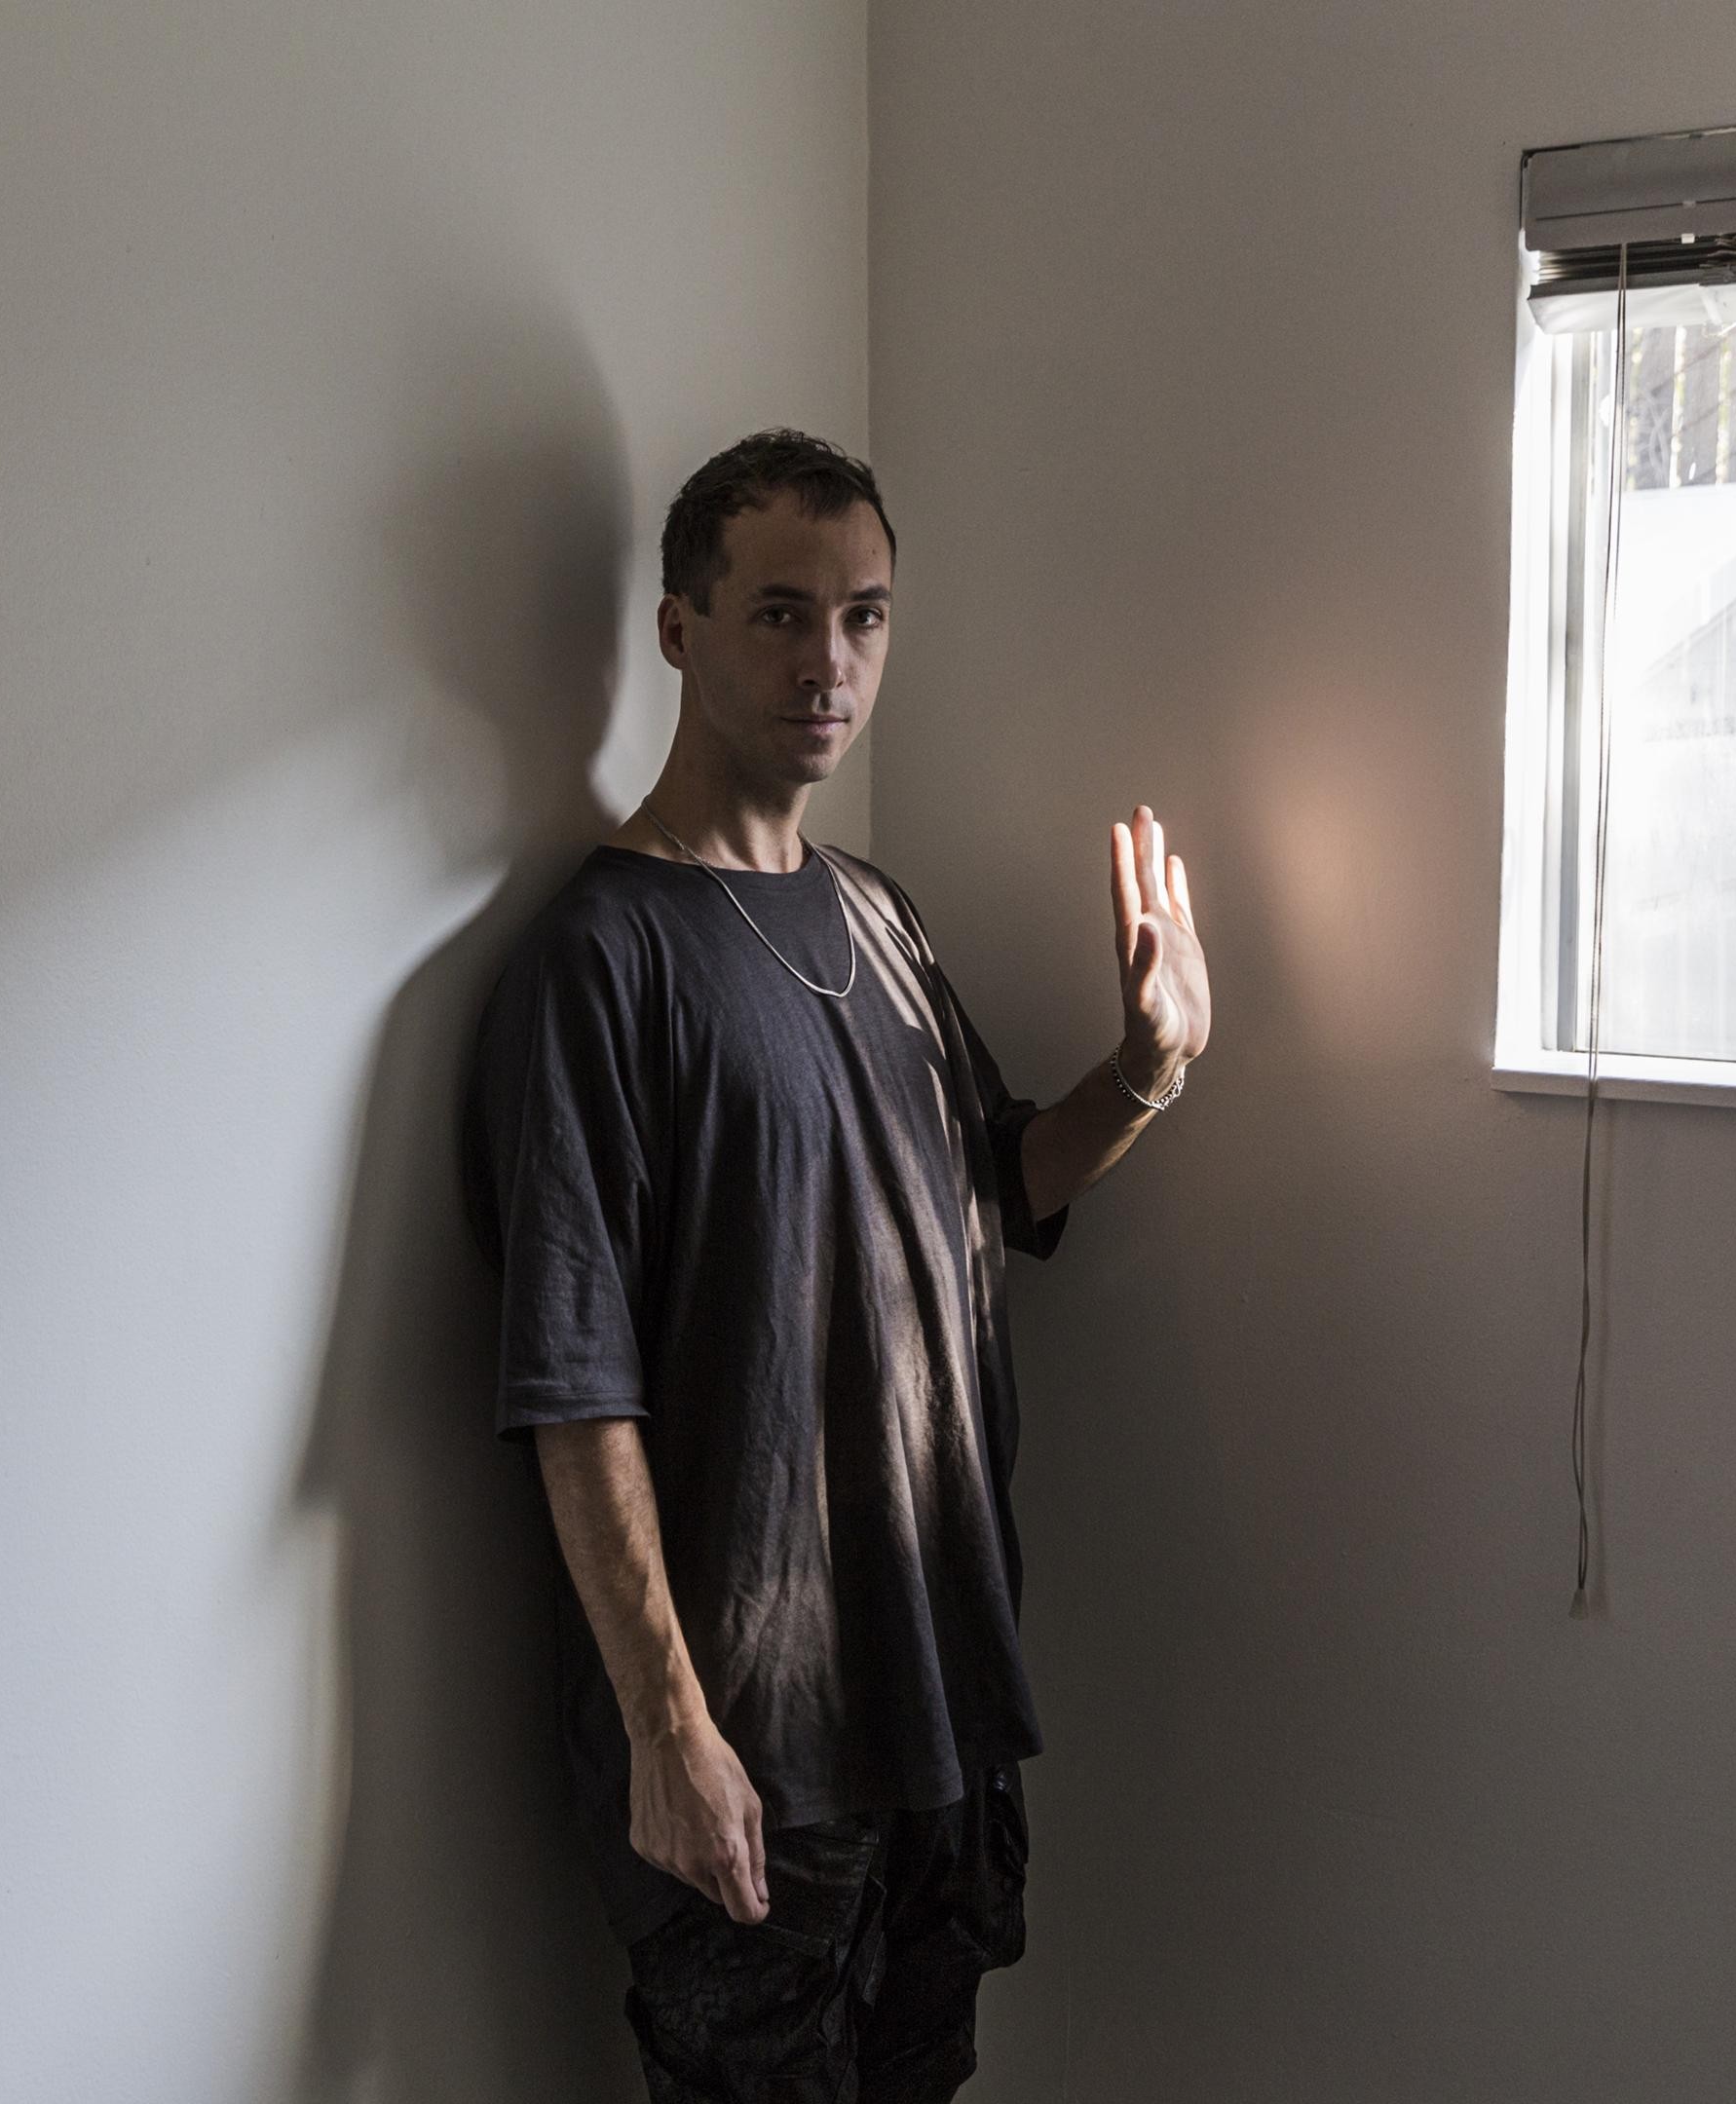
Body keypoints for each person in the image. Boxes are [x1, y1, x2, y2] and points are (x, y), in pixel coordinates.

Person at [462, 430, 1209, 2101]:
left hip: (933, 1703)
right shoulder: (599, 964)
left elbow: (1003, 1182)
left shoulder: (879, 916)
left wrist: (1153, 1062)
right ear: (678, 630)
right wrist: (669, 1732)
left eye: (864, 618)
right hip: (752, 1758)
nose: (830, 664)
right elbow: (573, 1392)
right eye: (782, 615)